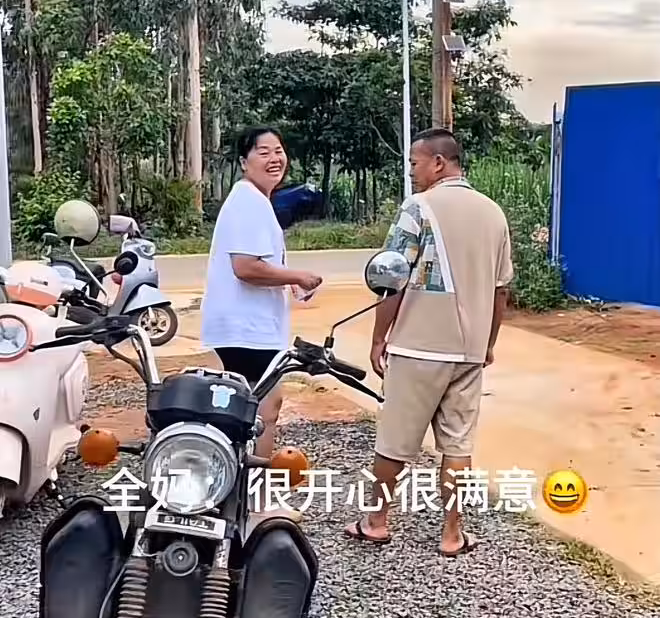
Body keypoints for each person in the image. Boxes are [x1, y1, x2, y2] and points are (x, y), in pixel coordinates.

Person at [344, 128, 514, 556]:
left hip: (418, 347)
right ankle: (452, 534)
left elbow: (390, 277)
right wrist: (487, 343)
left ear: (439, 163)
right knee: (458, 445)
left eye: (414, 163)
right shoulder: (494, 213)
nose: (411, 171)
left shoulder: (417, 207)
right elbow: (501, 290)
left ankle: (377, 521)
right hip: (469, 352)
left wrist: (379, 338)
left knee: (395, 440)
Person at [200, 127, 322, 518]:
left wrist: (288, 282)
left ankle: (230, 495)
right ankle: (252, 503)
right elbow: (246, 267)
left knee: (250, 411)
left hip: (246, 328)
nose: (275, 158)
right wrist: (297, 275)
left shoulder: (254, 201)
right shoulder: (249, 203)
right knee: (262, 412)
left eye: (279, 150)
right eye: (263, 151)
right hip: (247, 331)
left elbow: (257, 266)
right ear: (244, 162)